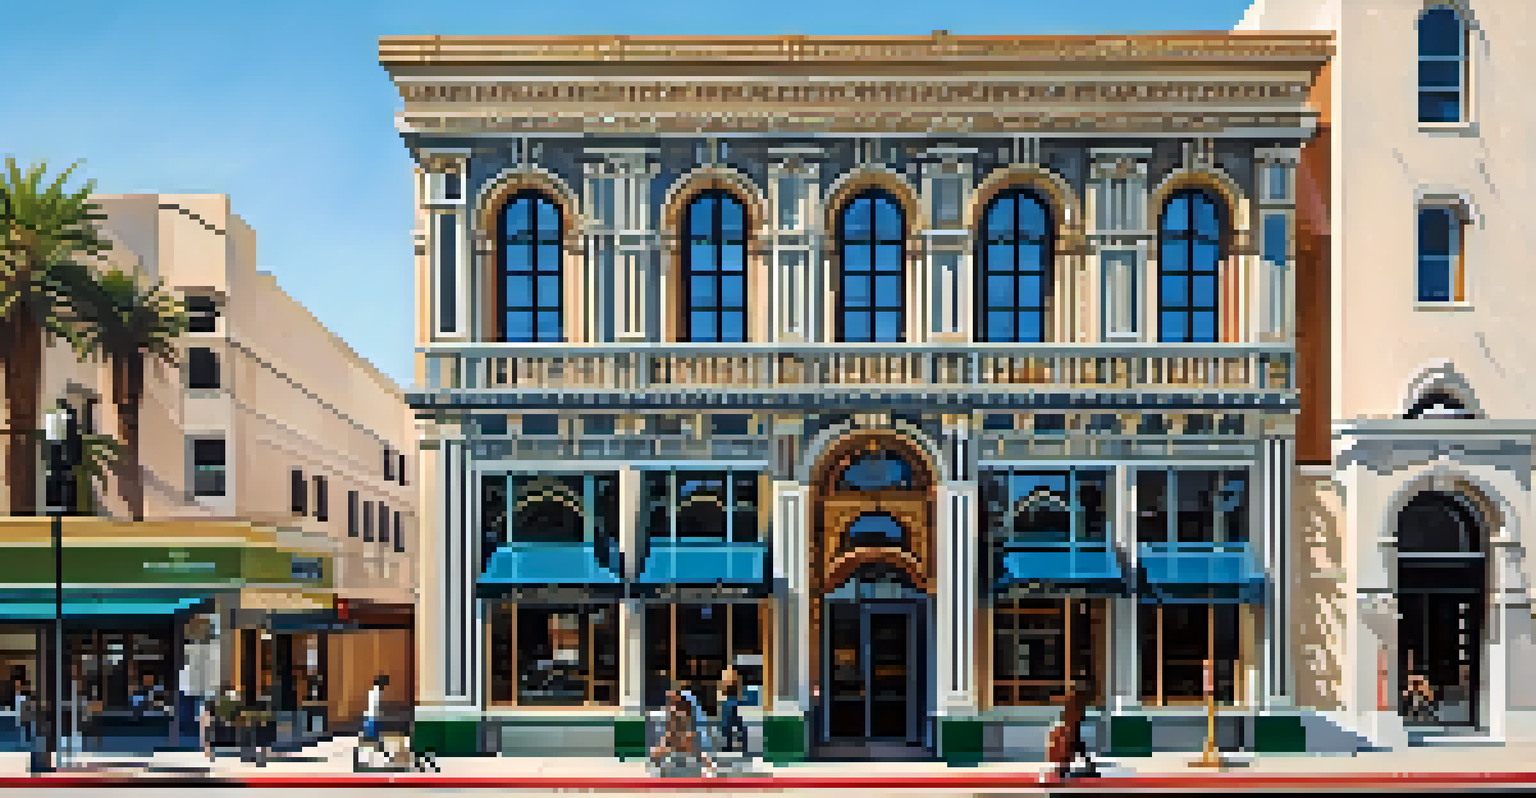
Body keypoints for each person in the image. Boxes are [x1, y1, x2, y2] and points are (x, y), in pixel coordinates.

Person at [716, 669, 746, 754]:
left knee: (736, 723)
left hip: (733, 701)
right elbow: (721, 688)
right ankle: (731, 745)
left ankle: (740, 744)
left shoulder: (733, 676)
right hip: (728, 701)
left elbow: (738, 689)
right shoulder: (726, 675)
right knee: (729, 724)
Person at [365, 675, 388, 742]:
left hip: (372, 714)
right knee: (374, 731)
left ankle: (371, 739)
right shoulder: (378, 693)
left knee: (372, 730)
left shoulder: (373, 692)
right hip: (374, 716)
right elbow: (377, 706)